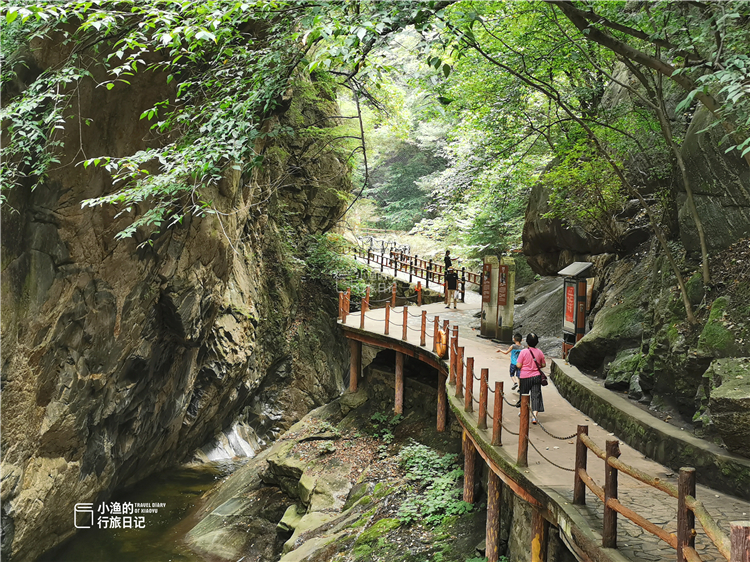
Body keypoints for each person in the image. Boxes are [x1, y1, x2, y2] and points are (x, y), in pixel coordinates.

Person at [516, 333, 546, 424]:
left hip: (525, 376)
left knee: (524, 394)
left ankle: (523, 412)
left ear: (527, 342)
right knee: (536, 396)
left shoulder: (523, 352)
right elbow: (544, 364)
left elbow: (519, 365)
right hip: (536, 376)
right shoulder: (540, 352)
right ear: (537, 342)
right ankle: (534, 417)